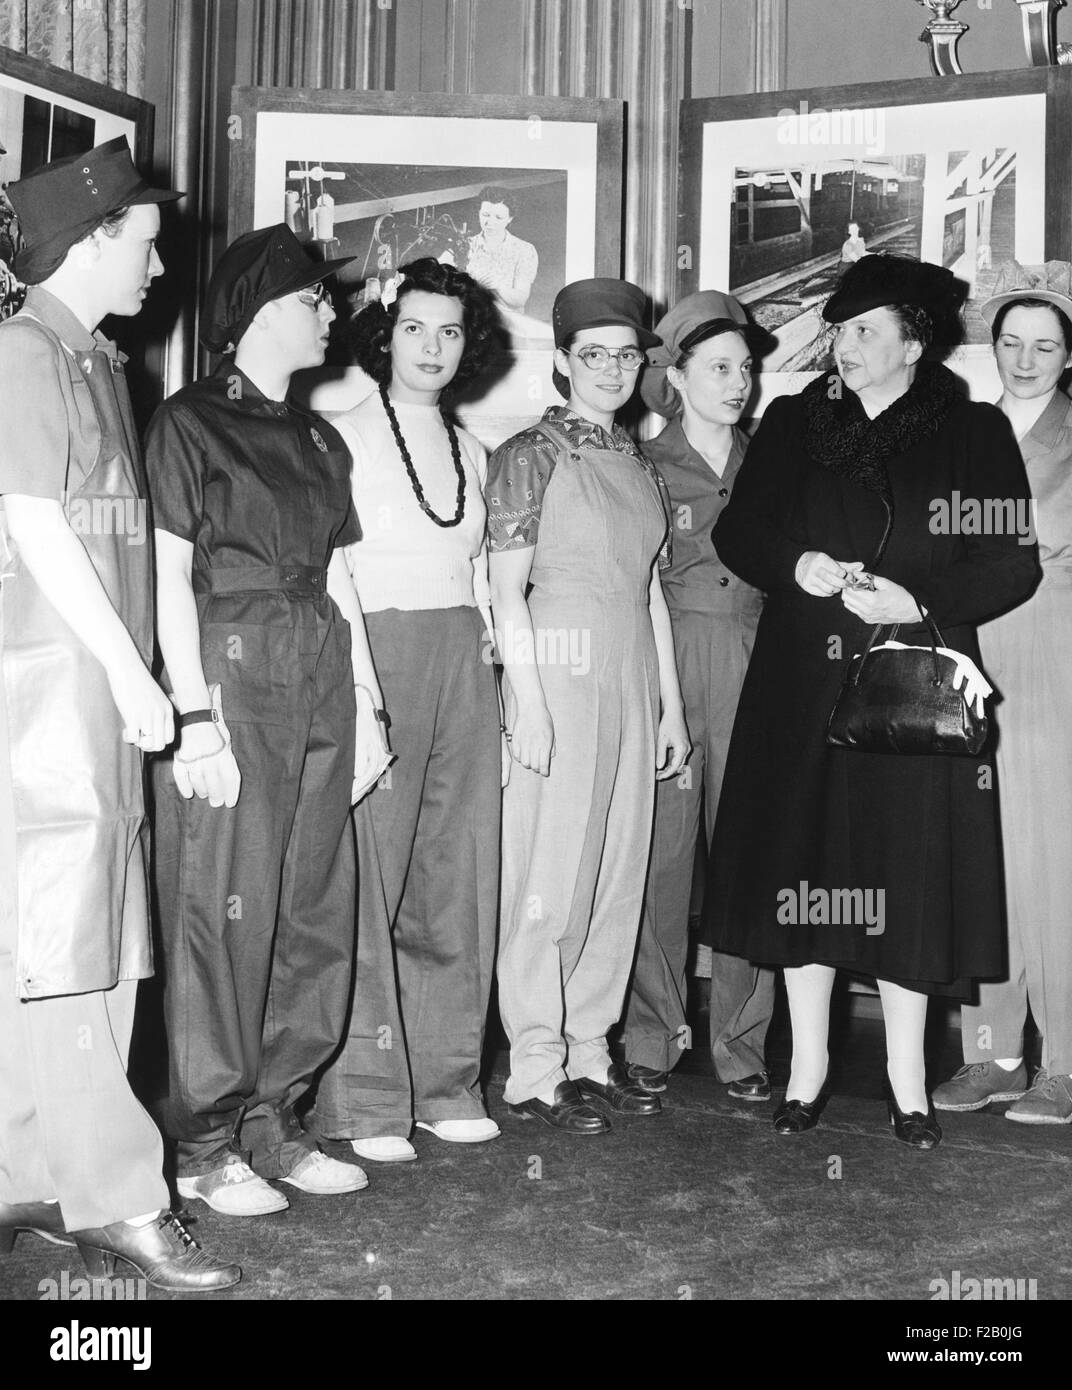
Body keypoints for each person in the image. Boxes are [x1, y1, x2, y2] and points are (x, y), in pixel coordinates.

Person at [705, 253, 1040, 1149]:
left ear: (913, 341)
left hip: (913, 683)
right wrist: (796, 565)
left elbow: (1010, 560)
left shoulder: (971, 433)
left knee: (904, 876)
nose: (843, 347)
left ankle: (906, 1077)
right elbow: (739, 528)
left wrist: (920, 603)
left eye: (863, 331)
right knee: (807, 869)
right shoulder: (792, 422)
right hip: (802, 682)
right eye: (840, 330)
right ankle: (807, 1066)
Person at [0, 138, 239, 1289]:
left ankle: (31, 1175)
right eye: (145, 239)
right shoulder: (24, 350)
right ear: (91, 239)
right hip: (49, 691)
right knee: (74, 942)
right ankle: (116, 1194)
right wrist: (133, 675)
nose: (160, 262)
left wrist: (141, 678)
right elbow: (35, 521)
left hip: (88, 691)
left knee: (69, 938)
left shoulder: (94, 359)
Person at [146, 225, 388, 1216]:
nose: (329, 313)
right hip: (233, 663)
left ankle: (276, 1123)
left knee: (312, 901)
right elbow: (166, 572)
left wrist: (368, 704)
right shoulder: (187, 422)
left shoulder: (322, 436)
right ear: (257, 313)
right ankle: (203, 1143)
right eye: (313, 300)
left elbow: (342, 574)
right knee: (224, 908)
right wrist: (193, 713)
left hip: (321, 659)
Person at [487, 278, 690, 1134]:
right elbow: (503, 592)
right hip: (558, 671)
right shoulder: (529, 452)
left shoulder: (637, 461)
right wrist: (526, 704)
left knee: (617, 870)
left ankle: (589, 1050)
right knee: (549, 873)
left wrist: (671, 710)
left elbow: (650, 595)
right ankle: (534, 1063)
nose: (611, 370)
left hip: (633, 674)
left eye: (626, 355)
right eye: (594, 355)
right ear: (564, 362)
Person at [312, 257, 504, 1162]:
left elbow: (484, 577)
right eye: (416, 328)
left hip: (463, 658)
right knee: (372, 878)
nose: (432, 347)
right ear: (385, 334)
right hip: (376, 654)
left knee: (456, 876)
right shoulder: (337, 433)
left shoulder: (473, 453)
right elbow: (332, 572)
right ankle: (364, 1096)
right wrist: (361, 688)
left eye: (451, 331)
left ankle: (446, 1079)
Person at [621, 290, 775, 1102]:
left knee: (751, 863)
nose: (737, 382)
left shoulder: (773, 464)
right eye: (719, 367)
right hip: (672, 669)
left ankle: (743, 1047)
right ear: (675, 377)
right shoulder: (644, 467)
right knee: (663, 862)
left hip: (759, 666)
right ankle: (651, 1033)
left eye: (746, 367)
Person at [933, 266, 1072, 1125]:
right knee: (981, 859)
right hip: (966, 654)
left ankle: (1064, 1062)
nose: (1025, 359)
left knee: (1054, 864)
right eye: (1012, 342)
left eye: (1046, 345)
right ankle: (992, 1054)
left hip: (1054, 654)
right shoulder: (963, 433)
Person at [466, 188, 538, 313]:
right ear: (479, 213)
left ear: (510, 218)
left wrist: (496, 285)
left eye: (498, 217)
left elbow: (520, 299)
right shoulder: (465, 245)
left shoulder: (524, 250)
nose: (490, 222)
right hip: (471, 318)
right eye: (485, 215)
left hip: (506, 323)